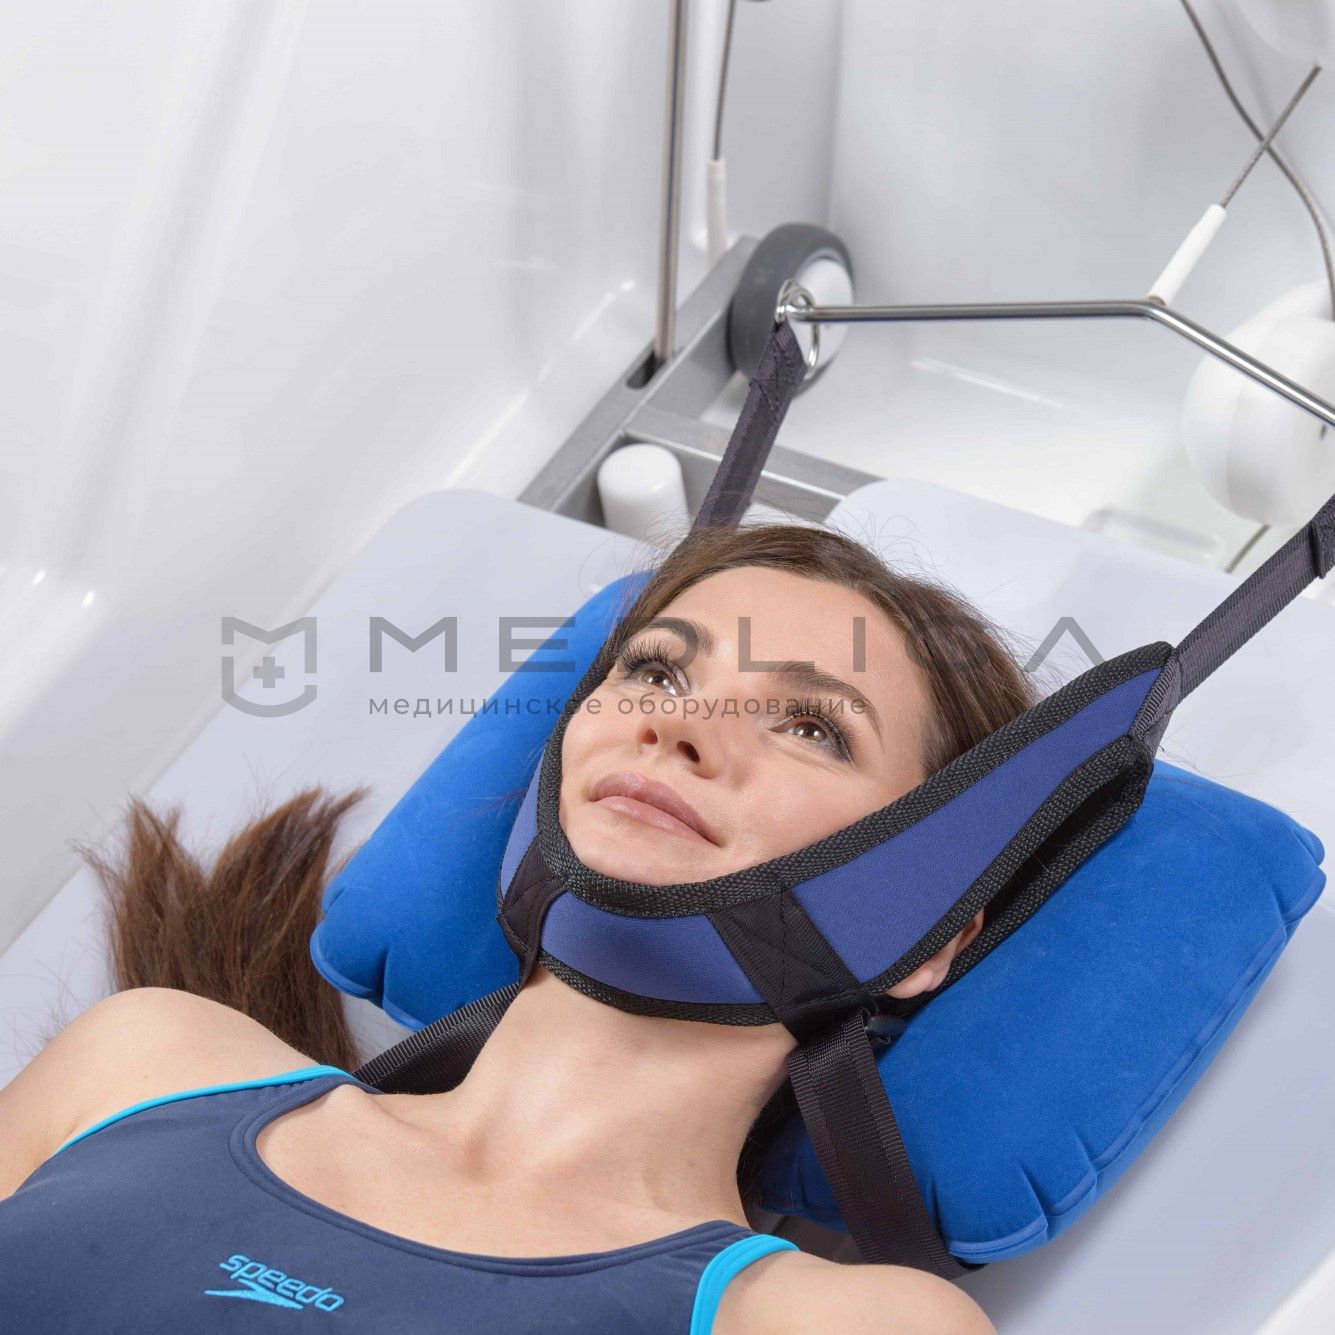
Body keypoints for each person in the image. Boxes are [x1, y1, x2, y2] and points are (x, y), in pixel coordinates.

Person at [0, 520, 1035, 1333]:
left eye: (811, 726)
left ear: (931, 935)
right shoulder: (148, 1063)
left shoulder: (833, 1321)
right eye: (657, 671)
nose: (674, 723)